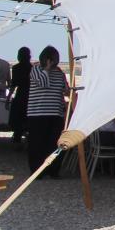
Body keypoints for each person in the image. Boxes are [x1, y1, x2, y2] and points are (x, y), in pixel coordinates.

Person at [26, 45, 69, 177]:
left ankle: (53, 170)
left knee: (54, 144)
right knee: (36, 143)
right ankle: (37, 171)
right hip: (37, 113)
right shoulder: (35, 70)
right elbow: (43, 83)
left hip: (55, 113)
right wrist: (47, 69)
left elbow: (65, 89)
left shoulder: (59, 72)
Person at [7, 46, 31, 145]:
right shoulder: (33, 68)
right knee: (28, 120)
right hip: (31, 97)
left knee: (17, 119)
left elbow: (13, 85)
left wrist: (8, 98)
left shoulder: (16, 68)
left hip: (20, 96)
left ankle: (17, 139)